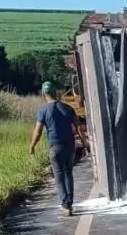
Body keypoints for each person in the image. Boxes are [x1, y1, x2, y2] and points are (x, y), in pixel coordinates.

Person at [29, 82, 88, 216]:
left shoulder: (43, 110)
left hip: (55, 147)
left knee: (59, 176)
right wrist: (84, 143)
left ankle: (65, 205)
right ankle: (69, 204)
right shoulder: (68, 108)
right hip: (70, 146)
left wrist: (32, 145)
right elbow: (78, 127)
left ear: (44, 94)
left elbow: (37, 131)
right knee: (68, 173)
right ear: (56, 93)